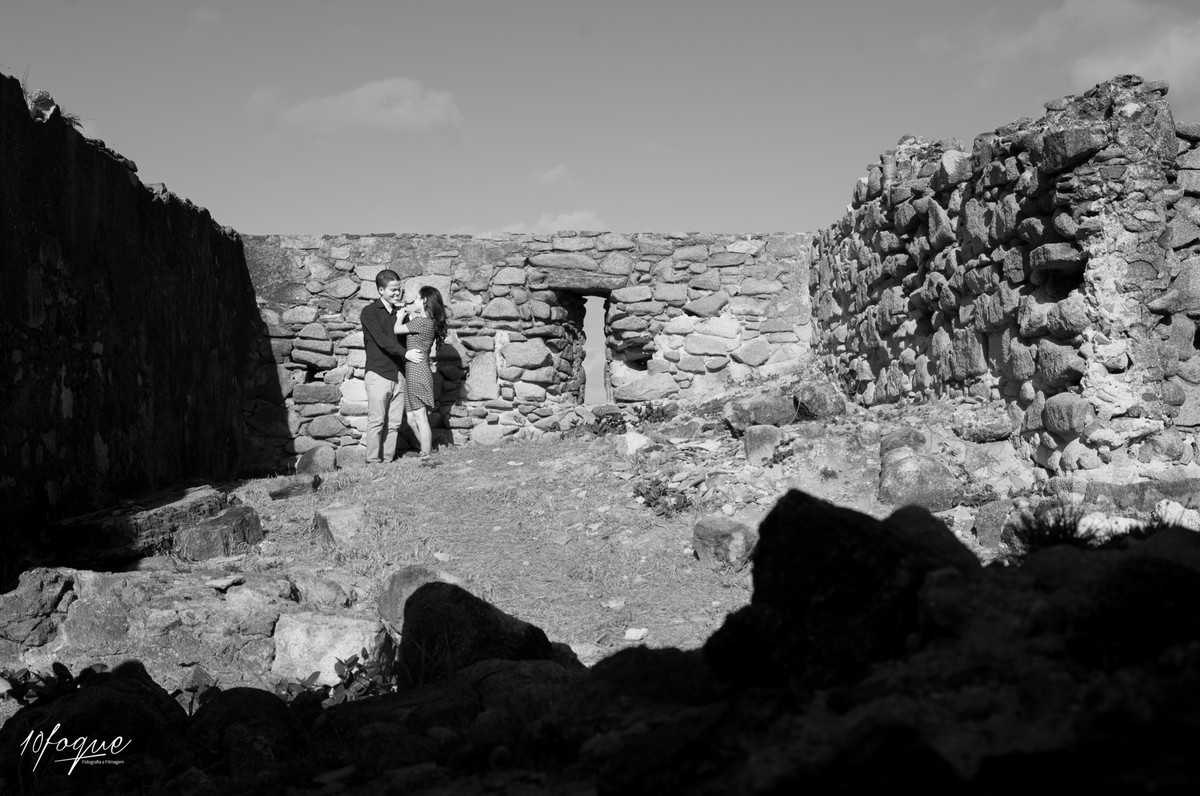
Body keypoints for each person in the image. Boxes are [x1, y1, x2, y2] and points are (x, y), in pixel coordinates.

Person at [360, 270, 423, 464]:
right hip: (379, 372)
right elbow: (382, 340)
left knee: (394, 423)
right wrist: (405, 354)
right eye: (393, 290)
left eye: (400, 290)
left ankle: (386, 461)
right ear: (381, 290)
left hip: (399, 374)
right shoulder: (369, 312)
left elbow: (410, 338)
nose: (398, 293)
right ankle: (372, 462)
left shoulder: (401, 313)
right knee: (377, 421)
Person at [393, 285, 447, 459]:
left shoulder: (421, 321)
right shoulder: (425, 322)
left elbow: (397, 330)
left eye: (417, 298)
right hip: (414, 371)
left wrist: (400, 317)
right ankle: (428, 449)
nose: (413, 301)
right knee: (410, 419)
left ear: (424, 300)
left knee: (420, 416)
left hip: (417, 372)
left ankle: (426, 455)